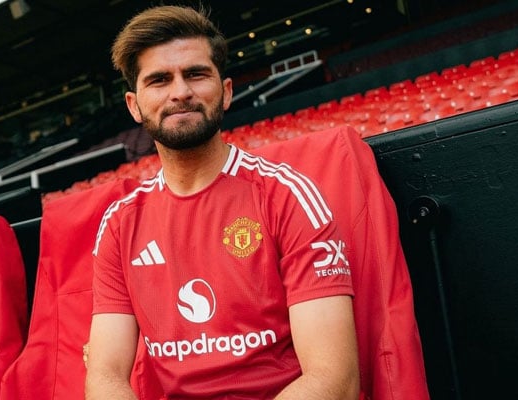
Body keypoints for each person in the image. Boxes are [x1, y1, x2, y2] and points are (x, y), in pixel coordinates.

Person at [86, 5, 359, 399]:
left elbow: (335, 380)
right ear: (134, 105)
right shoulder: (119, 223)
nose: (180, 91)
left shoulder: (287, 197)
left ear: (226, 91)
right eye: (159, 80)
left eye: (196, 74)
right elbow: (104, 376)